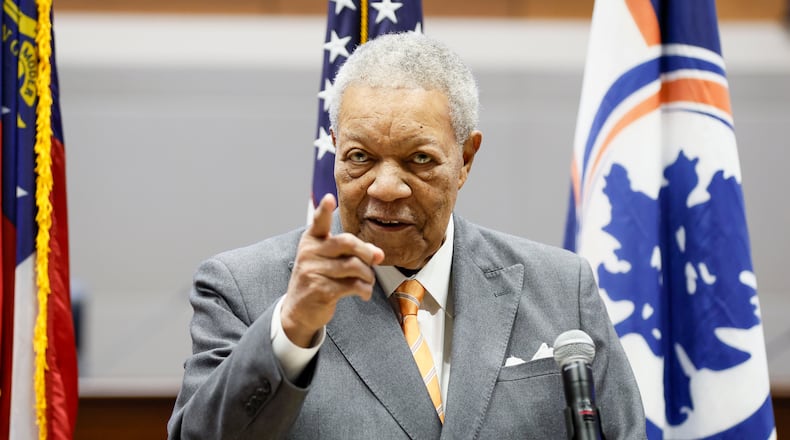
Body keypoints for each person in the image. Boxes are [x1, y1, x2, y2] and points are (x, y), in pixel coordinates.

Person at [167, 32, 646, 439]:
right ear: (334, 149)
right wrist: (292, 327)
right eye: (360, 157)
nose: (386, 188)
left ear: (467, 159)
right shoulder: (243, 288)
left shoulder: (562, 288)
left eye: (419, 159)